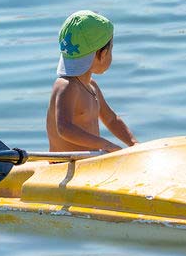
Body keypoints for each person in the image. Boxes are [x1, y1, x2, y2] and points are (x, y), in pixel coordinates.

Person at [46, 10, 136, 153]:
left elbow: (111, 119)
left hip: (88, 164)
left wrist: (133, 143)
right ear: (102, 53)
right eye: (111, 48)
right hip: (64, 165)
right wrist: (106, 144)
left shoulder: (91, 85)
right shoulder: (66, 86)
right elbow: (64, 128)